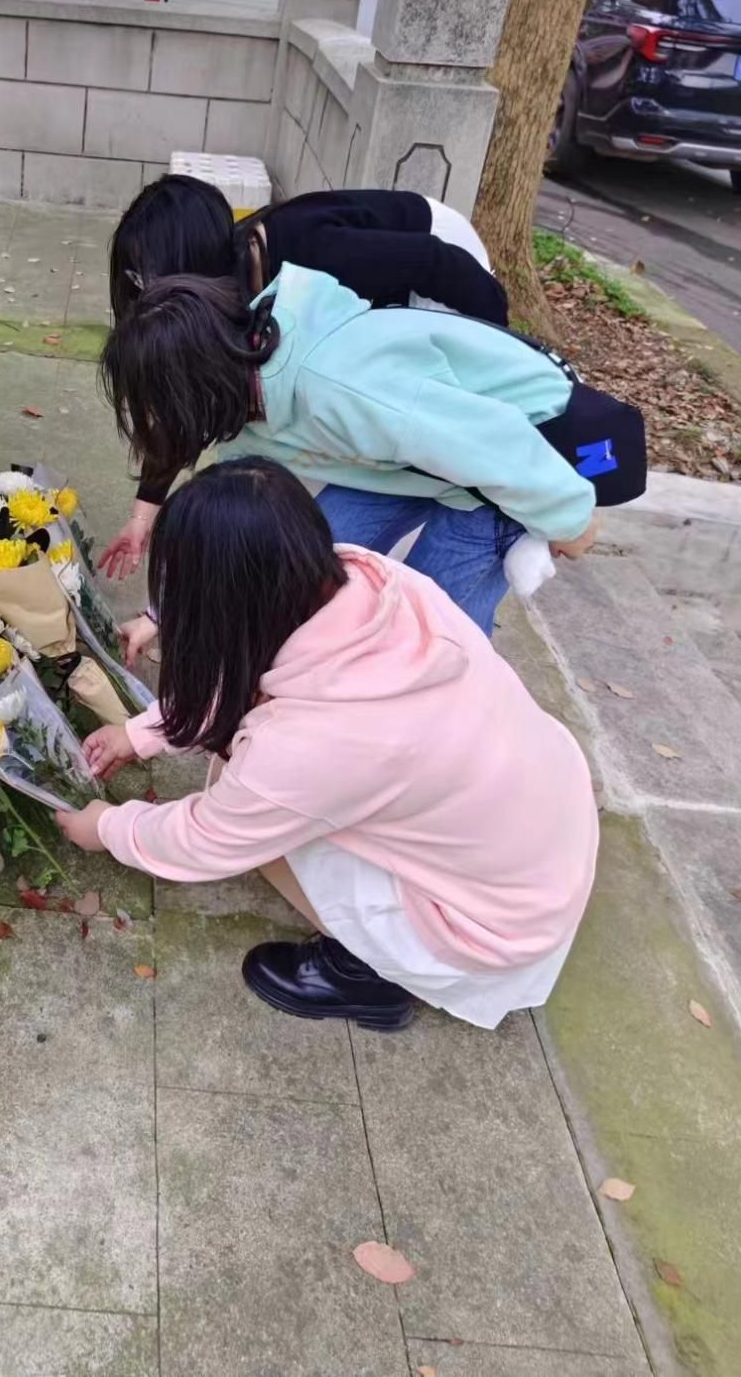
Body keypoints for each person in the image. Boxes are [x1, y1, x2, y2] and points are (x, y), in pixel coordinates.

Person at [57, 459, 598, 1032]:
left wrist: (107, 828)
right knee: (255, 780)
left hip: (489, 926)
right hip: (542, 834)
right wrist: (141, 734)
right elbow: (252, 659)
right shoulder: (365, 578)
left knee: (258, 820)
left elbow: (206, 839)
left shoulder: (315, 742)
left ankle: (368, 976)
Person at [98, 267, 599, 637]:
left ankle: (460, 725)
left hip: (530, 445)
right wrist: (161, 615)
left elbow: (492, 440)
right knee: (311, 554)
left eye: (157, 406)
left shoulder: (338, 386)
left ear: (194, 389)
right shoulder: (248, 396)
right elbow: (230, 533)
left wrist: (570, 521)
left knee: (426, 624)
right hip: (421, 455)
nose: (157, 420)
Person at [101, 175, 510, 578]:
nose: (146, 295)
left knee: (421, 441)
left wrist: (505, 360)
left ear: (193, 265)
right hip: (369, 320)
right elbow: (181, 397)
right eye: (138, 281)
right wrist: (143, 515)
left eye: (148, 280)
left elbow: (440, 263)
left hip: (442, 270)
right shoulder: (222, 296)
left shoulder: (310, 252)